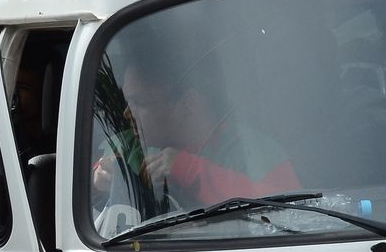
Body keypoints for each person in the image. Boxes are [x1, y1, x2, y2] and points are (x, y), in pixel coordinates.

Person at [91, 52, 299, 214]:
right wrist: (99, 179)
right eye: (128, 101)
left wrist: (188, 169)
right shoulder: (129, 145)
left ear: (189, 103)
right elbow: (78, 200)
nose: (127, 113)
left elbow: (291, 210)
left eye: (140, 103)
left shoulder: (256, 150)